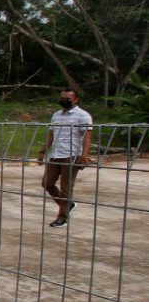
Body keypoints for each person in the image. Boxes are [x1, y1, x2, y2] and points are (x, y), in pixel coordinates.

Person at [38, 88, 92, 228]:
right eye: (62, 98)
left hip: (72, 155)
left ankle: (62, 217)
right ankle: (69, 205)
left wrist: (84, 156)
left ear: (75, 99)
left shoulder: (83, 116)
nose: (64, 100)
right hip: (56, 154)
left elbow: (87, 137)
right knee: (47, 183)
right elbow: (51, 134)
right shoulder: (56, 115)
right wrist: (43, 151)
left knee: (66, 188)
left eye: (67, 99)